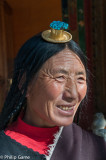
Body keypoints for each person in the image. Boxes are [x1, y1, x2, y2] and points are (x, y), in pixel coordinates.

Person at [0, 21, 105, 160]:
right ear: (24, 82)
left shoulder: (97, 148)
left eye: (80, 79)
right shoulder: (5, 148)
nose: (73, 94)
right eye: (60, 77)